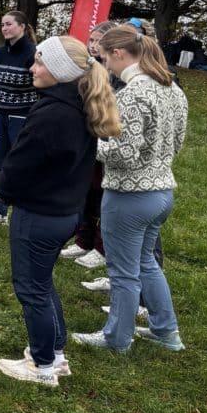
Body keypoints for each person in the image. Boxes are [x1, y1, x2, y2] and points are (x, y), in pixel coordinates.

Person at [0, 36, 121, 386]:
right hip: (64, 212)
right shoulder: (77, 105)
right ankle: (57, 354)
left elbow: (19, 166)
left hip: (39, 215)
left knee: (31, 289)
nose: (32, 68)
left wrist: (1, 185)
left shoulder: (53, 114)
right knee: (42, 283)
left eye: (39, 62)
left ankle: (42, 365)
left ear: (61, 69)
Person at [72, 25, 189, 353]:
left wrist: (93, 146)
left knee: (123, 272)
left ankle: (116, 339)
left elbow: (123, 154)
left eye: (106, 57)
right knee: (145, 263)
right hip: (161, 191)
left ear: (120, 54)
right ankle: (166, 331)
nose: (105, 65)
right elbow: (176, 142)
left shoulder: (133, 94)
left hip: (129, 196)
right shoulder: (172, 89)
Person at [61, 21, 119, 267]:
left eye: (99, 41)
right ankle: (82, 240)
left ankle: (101, 246)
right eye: (91, 40)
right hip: (87, 137)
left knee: (105, 196)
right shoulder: (86, 68)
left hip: (108, 141)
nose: (93, 45)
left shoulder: (117, 74)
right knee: (88, 192)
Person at [0, 11, 38, 227]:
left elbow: (40, 86)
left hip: (22, 116)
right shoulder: (0, 53)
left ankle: (23, 213)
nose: (4, 28)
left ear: (22, 27)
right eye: (2, 24)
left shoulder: (33, 54)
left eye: (9, 24)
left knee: (19, 164)